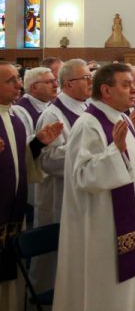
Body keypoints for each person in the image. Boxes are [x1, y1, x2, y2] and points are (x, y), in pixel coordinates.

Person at [53, 63, 135, 311]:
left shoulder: (121, 117)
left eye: (133, 85)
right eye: (126, 85)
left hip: (133, 220)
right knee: (110, 293)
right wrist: (116, 151)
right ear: (106, 90)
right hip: (103, 227)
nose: (134, 91)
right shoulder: (89, 124)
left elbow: (133, 164)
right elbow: (82, 176)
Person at [0, 63, 60, 311]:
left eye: (18, 79)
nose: (18, 85)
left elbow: (17, 162)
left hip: (12, 212)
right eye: (10, 81)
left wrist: (37, 143)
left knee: (10, 275)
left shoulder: (14, 118)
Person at [32, 59, 92, 290]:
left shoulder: (86, 108)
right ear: (67, 84)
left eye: (90, 77)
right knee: (55, 261)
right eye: (85, 78)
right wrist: (86, 149)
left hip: (82, 193)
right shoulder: (53, 115)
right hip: (60, 196)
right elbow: (47, 161)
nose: (90, 81)